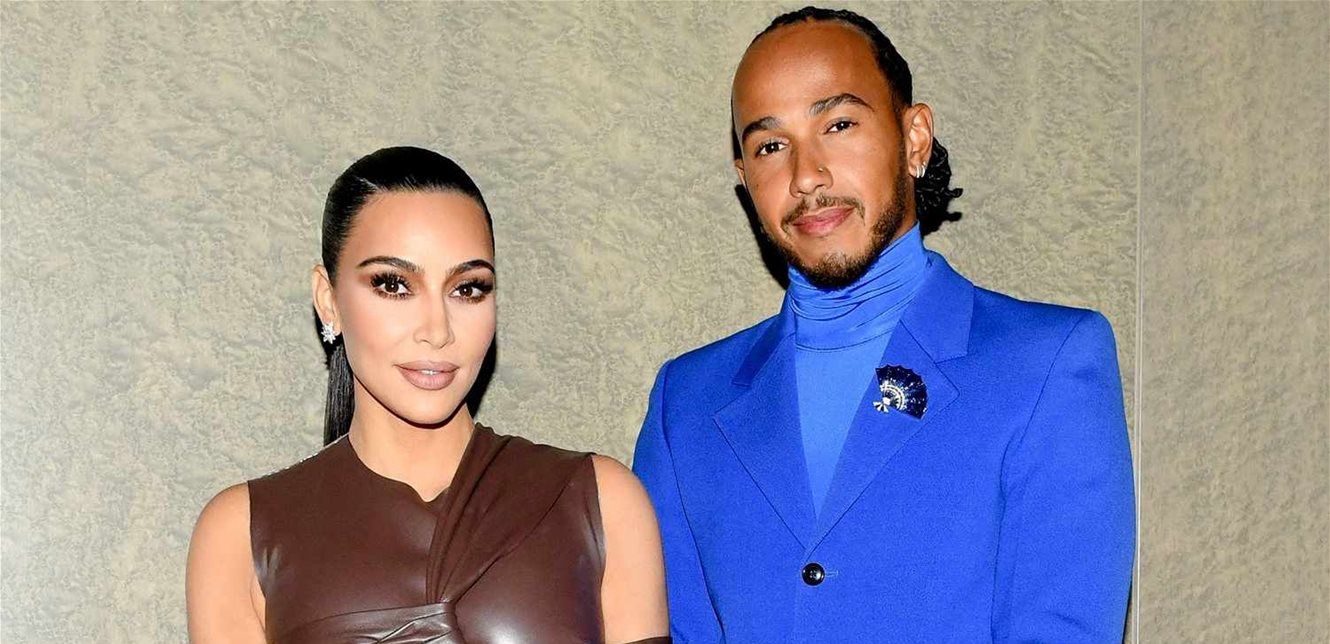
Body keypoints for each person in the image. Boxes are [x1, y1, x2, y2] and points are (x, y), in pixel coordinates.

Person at [633, 7, 1135, 642]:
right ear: (745, 180)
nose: (805, 175)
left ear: (914, 138)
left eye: (838, 124)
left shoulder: (1048, 363)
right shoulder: (685, 402)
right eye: (770, 146)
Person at [187, 147, 669, 644]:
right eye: (394, 285)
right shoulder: (240, 535)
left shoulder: (602, 501)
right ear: (328, 301)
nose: (437, 330)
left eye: (467, 289)